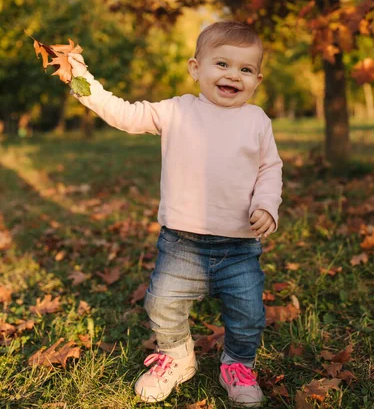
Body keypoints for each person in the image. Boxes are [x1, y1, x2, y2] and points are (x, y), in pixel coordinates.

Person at [67, 21, 283, 407]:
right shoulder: (177, 111)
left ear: (257, 80)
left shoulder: (257, 121)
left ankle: (237, 363)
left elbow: (270, 168)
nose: (233, 74)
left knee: (249, 313)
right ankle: (178, 355)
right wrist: (81, 82)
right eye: (222, 64)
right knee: (161, 302)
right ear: (196, 68)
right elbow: (124, 114)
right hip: (182, 242)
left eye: (245, 70)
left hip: (239, 246)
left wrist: (266, 205)